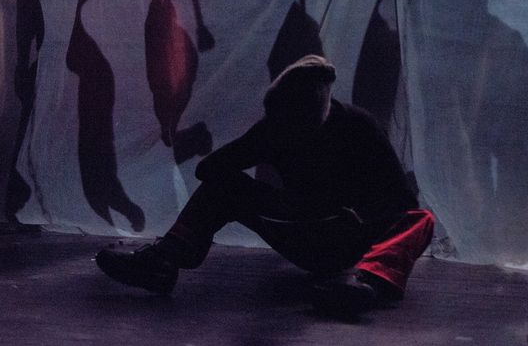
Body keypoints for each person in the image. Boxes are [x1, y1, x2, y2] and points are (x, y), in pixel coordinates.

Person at [95, 55, 434, 314]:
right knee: (222, 187)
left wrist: (358, 215)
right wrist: (265, 163)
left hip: (345, 239)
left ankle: (365, 285)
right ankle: (163, 262)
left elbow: (401, 201)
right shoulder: (275, 128)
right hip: (298, 227)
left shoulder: (358, 127)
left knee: (421, 218)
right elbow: (210, 170)